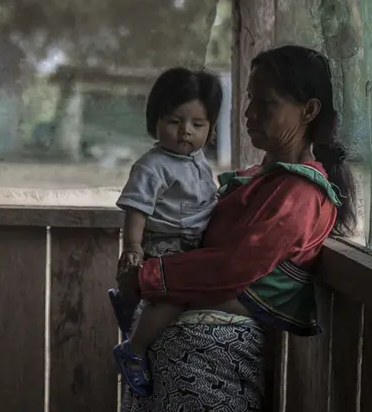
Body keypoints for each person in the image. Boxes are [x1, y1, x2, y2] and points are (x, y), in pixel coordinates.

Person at [118, 45, 357, 411]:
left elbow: (234, 266)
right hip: (180, 360)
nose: (248, 113)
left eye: (266, 103)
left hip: (207, 366)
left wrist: (148, 276)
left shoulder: (300, 196)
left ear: (308, 111)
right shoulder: (257, 181)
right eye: (249, 99)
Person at [107, 67, 224, 397]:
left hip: (193, 244)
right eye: (175, 121)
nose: (185, 131)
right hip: (164, 243)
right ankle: (133, 348)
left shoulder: (199, 161)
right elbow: (136, 207)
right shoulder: (152, 165)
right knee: (175, 295)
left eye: (197, 124)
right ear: (155, 120)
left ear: (210, 128)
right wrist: (132, 246)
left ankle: (130, 301)